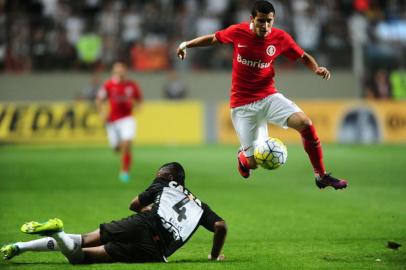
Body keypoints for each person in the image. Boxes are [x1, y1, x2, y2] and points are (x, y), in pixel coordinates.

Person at [176, 1, 348, 190]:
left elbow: (303, 56)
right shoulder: (237, 32)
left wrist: (316, 68)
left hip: (268, 97)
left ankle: (321, 175)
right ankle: (243, 156)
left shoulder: (280, 38)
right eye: (261, 21)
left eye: (269, 21)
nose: (265, 26)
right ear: (252, 19)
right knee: (253, 164)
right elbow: (213, 39)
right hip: (242, 106)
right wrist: (186, 44)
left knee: (305, 123)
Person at [0, 162, 227, 264]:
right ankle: (20, 247)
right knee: (83, 258)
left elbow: (134, 204)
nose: (156, 176)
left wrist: (145, 209)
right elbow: (220, 226)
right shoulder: (200, 206)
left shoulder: (165, 184)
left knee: (83, 240)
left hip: (144, 223)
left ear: (169, 176)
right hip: (155, 252)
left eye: (159, 174)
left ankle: (53, 234)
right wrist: (214, 256)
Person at [96, 61, 143, 182]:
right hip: (112, 121)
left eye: (122, 69)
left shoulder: (131, 85)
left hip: (127, 119)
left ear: (125, 71)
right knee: (116, 148)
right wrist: (101, 112)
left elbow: (139, 99)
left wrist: (137, 106)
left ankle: (125, 172)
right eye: (118, 70)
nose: (120, 72)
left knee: (127, 144)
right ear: (114, 71)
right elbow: (99, 99)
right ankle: (119, 148)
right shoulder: (108, 85)